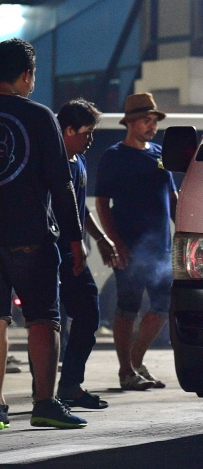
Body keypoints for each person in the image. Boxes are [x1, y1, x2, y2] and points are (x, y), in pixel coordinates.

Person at [0, 38, 88, 429]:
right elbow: (61, 183)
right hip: (30, 236)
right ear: (26, 74)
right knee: (43, 319)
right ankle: (44, 404)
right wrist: (75, 237)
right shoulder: (38, 117)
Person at [95, 93, 178, 391]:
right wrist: (115, 242)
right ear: (130, 123)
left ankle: (136, 361)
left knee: (163, 305)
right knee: (127, 306)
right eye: (146, 120)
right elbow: (102, 204)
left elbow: (172, 197)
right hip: (130, 246)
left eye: (154, 121)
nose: (152, 126)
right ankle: (125, 370)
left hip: (161, 249)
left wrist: (183, 228)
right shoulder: (114, 156)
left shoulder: (159, 154)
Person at [54, 99, 120, 409]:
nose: (90, 140)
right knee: (49, 322)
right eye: (87, 132)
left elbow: (80, 211)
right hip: (53, 255)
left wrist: (101, 239)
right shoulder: (52, 163)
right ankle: (48, 391)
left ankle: (69, 385)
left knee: (88, 314)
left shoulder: (78, 161)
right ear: (68, 130)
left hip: (74, 254)